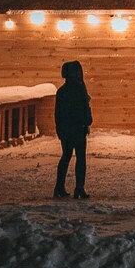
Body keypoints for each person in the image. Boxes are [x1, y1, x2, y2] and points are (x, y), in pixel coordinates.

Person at [53, 60, 93, 199]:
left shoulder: (62, 91)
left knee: (66, 156)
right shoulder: (79, 89)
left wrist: (59, 128)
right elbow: (84, 109)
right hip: (77, 128)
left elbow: (58, 113)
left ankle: (59, 187)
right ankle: (79, 188)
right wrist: (87, 121)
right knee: (80, 158)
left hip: (67, 129)